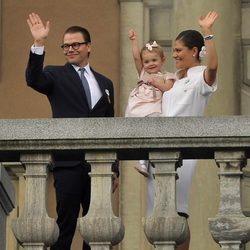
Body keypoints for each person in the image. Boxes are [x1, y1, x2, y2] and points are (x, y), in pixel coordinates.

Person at [26, 13, 118, 250]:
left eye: (75, 44)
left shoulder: (105, 83)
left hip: (98, 165)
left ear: (89, 46)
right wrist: (38, 44)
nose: (70, 49)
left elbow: (110, 125)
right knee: (65, 225)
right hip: (68, 163)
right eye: (65, 46)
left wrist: (114, 169)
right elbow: (33, 79)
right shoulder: (56, 74)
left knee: (96, 227)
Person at [147, 11, 219, 250]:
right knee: (158, 213)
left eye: (179, 50)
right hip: (159, 151)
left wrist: (208, 32)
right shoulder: (174, 80)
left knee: (178, 211)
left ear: (194, 51)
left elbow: (214, 67)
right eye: (174, 50)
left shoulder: (200, 79)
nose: (175, 54)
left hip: (183, 154)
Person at [125, 29, 175, 177]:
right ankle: (142, 162)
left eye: (154, 60)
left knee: (152, 132)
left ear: (162, 60)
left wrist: (156, 83)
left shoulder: (167, 76)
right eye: (146, 61)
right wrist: (134, 41)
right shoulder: (143, 74)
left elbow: (168, 89)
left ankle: (150, 161)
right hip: (140, 106)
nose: (150, 64)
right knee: (140, 134)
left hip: (154, 107)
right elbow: (135, 58)